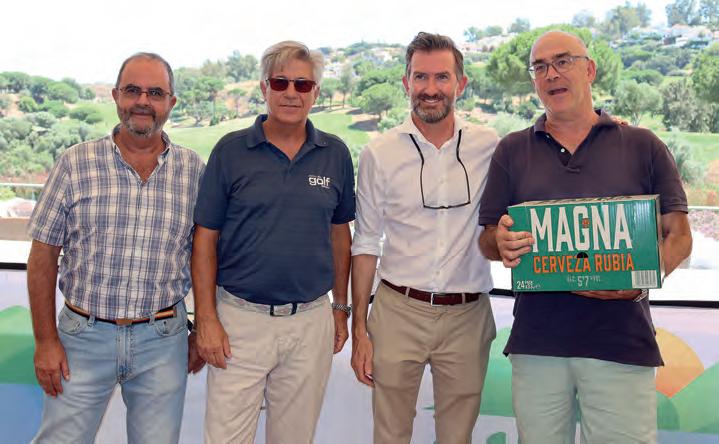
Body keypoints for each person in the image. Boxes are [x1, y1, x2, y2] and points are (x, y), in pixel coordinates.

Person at [478, 30, 693, 443]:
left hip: (622, 343)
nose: (551, 74)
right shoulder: (512, 150)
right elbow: (487, 237)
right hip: (538, 345)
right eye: (540, 67)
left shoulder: (643, 144)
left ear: (590, 70)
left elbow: (679, 236)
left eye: (563, 61)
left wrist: (643, 277)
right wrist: (499, 242)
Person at [27, 52, 205, 444]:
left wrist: (203, 328)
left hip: (163, 340)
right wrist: (45, 341)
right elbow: (42, 257)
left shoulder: (194, 171)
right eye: (132, 90)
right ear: (115, 96)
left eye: (155, 93)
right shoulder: (75, 163)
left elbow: (204, 258)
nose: (143, 101)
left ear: (171, 103)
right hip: (82, 338)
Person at [191, 40, 355, 444]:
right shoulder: (230, 151)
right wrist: (206, 319)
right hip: (239, 321)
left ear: (316, 92)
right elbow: (205, 239)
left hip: (310, 323)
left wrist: (340, 308)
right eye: (281, 82)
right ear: (264, 87)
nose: (291, 93)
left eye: (303, 84)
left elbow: (340, 235)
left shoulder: (335, 154)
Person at [351, 32, 498, 444]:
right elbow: (365, 243)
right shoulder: (379, 153)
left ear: (460, 83)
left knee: (457, 437)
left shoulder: (490, 146)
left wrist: (603, 123)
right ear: (406, 83)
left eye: (441, 77)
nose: (430, 89)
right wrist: (359, 328)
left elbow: (541, 154)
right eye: (420, 77)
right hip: (397, 312)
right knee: (390, 435)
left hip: (468, 315)